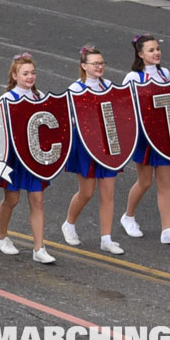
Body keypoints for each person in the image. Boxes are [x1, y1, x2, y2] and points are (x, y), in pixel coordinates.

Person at [119, 34, 170, 245]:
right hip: (144, 138)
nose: (156, 53)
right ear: (140, 54)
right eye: (151, 50)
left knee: (165, 182)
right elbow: (124, 107)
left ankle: (167, 230)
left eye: (157, 49)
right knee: (145, 181)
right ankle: (128, 217)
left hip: (164, 135)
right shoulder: (133, 78)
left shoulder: (165, 73)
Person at [61, 46, 124, 255]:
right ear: (84, 66)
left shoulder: (110, 86)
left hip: (107, 143)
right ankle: (69, 224)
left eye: (101, 63)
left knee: (109, 192)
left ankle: (106, 238)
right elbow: (69, 119)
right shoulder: (75, 89)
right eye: (95, 63)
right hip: (86, 145)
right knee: (86, 192)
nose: (99, 67)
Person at [0, 53, 56, 264]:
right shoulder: (7, 99)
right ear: (14, 75)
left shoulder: (39, 97)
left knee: (37, 199)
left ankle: (39, 248)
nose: (30, 77)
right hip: (14, 158)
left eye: (33, 73)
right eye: (25, 73)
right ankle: (1, 236)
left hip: (35, 156)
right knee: (12, 199)